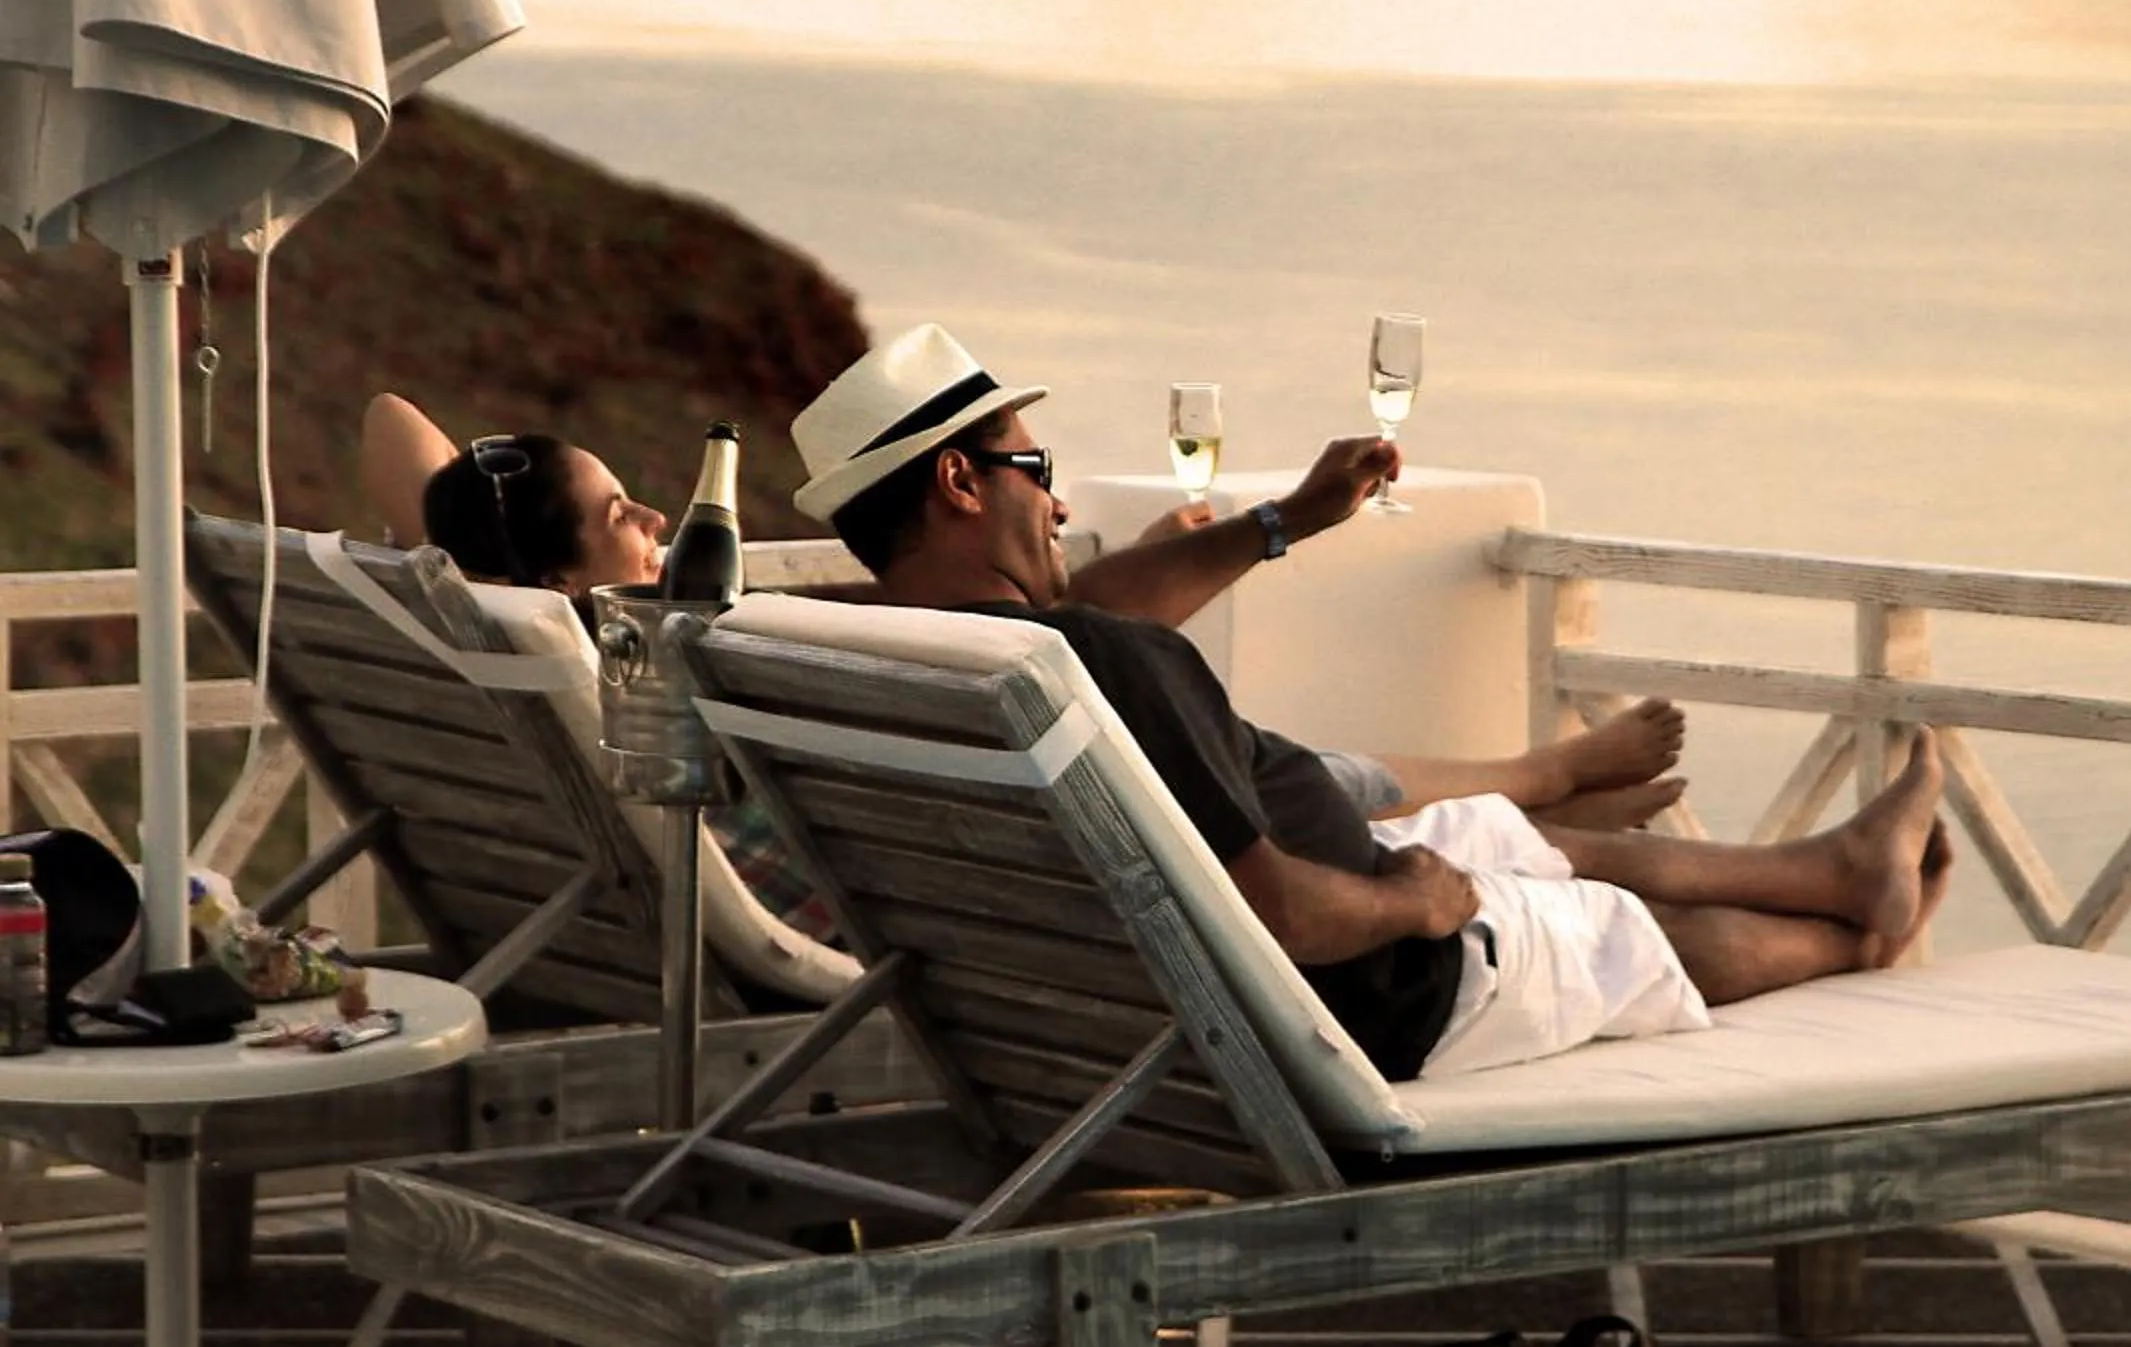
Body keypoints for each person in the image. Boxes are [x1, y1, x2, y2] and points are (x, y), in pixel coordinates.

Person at [792, 324, 1949, 1082]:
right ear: (958, 480)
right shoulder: (1097, 661)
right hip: (1368, 994)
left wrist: (1287, 519)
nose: (1055, 505)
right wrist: (1411, 907)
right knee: (1625, 941)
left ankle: (1840, 867)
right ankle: (1861, 932)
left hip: (1104, 1018)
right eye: (1036, 473)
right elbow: (1285, 917)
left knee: (1503, 837)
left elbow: (1085, 605)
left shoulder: (879, 654)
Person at [354, 393, 1689, 832]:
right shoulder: (680, 655)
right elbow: (1037, 640)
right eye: (623, 518)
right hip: (921, 870)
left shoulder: (549, 647)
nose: (660, 521)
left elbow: (388, 429)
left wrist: (469, 538)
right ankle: (1542, 781)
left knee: (1256, 759)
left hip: (890, 794)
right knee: (1283, 783)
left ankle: (1541, 786)